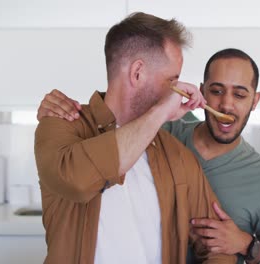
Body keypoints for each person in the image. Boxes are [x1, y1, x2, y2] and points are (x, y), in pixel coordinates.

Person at [38, 48, 260, 263]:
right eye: (216, 91)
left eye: (239, 94)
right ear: (202, 92)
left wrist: (247, 245)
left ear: (255, 100)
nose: (226, 105)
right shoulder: (163, 132)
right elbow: (117, 115)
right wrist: (56, 111)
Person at [34, 12, 237, 264]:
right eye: (172, 80)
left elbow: (219, 248)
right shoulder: (60, 125)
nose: (178, 89)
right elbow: (76, 180)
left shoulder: (177, 155)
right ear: (137, 73)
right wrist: (161, 111)